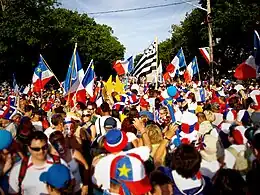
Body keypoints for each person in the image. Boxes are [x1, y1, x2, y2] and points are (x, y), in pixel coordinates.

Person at [8, 131, 74, 195]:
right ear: (29, 148)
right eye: (36, 149)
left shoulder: (59, 162)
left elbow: (71, 182)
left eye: (44, 147)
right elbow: (13, 192)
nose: (41, 151)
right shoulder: (18, 168)